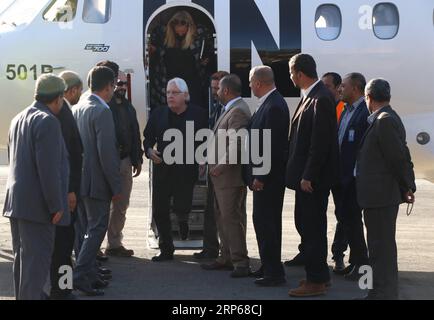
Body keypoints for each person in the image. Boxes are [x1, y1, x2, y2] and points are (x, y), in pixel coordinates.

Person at [3, 74, 69, 300]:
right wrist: (55, 205)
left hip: (17, 204)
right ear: (59, 98)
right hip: (38, 207)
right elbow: (48, 169)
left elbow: (15, 160)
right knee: (36, 269)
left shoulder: (18, 118)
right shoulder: (48, 121)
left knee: (22, 265)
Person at [356, 79, 416, 300]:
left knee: (382, 249)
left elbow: (398, 158)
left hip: (380, 197)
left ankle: (384, 293)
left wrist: (407, 186)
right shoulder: (385, 118)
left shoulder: (385, 121)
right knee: (378, 247)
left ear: (368, 97)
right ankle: (376, 291)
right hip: (377, 196)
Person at [286, 54, 339, 297]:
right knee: (308, 226)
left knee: (312, 228)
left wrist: (308, 175)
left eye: (290, 72)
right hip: (307, 179)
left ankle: (316, 280)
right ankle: (319, 276)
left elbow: (321, 143)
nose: (290, 77)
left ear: (299, 72)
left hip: (312, 181)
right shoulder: (312, 97)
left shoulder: (321, 98)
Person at [143, 78, 207, 262]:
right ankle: (166, 248)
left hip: (186, 169)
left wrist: (203, 159)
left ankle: (183, 221)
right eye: (168, 93)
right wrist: (149, 151)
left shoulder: (199, 114)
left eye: (174, 93)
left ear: (185, 96)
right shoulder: (158, 113)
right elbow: (147, 138)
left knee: (182, 204)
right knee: (160, 210)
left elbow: (206, 140)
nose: (170, 96)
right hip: (163, 169)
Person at [72, 66, 121, 296]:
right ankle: (81, 275)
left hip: (81, 180)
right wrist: (116, 186)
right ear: (109, 86)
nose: (115, 90)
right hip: (97, 182)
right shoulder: (102, 111)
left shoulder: (79, 106)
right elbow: (107, 154)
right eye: (114, 86)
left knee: (84, 229)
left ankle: (89, 273)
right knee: (96, 229)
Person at [201, 74, 251, 277]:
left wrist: (221, 166)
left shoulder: (237, 110)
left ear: (227, 91)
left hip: (229, 177)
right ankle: (226, 257)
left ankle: (240, 262)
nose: (217, 92)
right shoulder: (230, 108)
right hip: (221, 177)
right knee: (222, 217)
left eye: (219, 89)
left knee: (231, 219)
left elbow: (237, 144)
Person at [245, 66, 290, 287]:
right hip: (265, 178)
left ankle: (274, 272)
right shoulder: (270, 103)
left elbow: (270, 146)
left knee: (267, 224)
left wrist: (260, 175)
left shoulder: (273, 106)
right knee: (264, 223)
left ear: (259, 82)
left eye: (251, 82)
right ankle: (268, 264)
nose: (250, 86)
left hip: (268, 180)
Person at [333, 73, 370, 281]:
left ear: (355, 88)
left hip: (353, 179)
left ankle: (362, 265)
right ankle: (356, 262)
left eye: (343, 86)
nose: (340, 89)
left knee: (354, 223)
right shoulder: (346, 110)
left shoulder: (364, 112)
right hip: (342, 178)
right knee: (347, 221)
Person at [50, 71, 83, 300]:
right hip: (64, 193)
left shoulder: (63, 113)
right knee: (63, 246)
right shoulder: (61, 116)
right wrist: (71, 190)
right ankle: (63, 290)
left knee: (63, 245)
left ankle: (62, 287)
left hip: (64, 190)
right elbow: (67, 157)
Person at [105, 71, 144, 257]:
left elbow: (135, 133)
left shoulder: (129, 107)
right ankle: (94, 247)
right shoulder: (104, 107)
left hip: (126, 161)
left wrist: (138, 158)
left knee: (122, 205)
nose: (121, 87)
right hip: (108, 163)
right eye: (117, 83)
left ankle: (114, 243)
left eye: (123, 84)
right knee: (103, 206)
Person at [194, 70, 229, 260]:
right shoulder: (217, 107)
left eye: (218, 88)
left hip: (223, 169)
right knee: (210, 210)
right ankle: (210, 248)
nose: (215, 92)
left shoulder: (230, 110)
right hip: (212, 165)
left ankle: (226, 251)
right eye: (213, 88)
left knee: (223, 213)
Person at [149, 10, 214, 108]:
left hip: (192, 87)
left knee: (190, 119)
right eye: (177, 31)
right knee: (171, 116)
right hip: (169, 85)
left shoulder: (199, 36)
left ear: (189, 27)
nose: (180, 34)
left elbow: (210, 49)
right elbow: (154, 50)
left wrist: (206, 59)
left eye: (182, 32)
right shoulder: (163, 37)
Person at [321, 72, 348, 272]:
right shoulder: (323, 105)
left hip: (340, 172)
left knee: (344, 215)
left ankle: (338, 254)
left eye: (328, 86)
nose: (325, 89)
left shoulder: (344, 109)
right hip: (323, 170)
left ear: (338, 88)